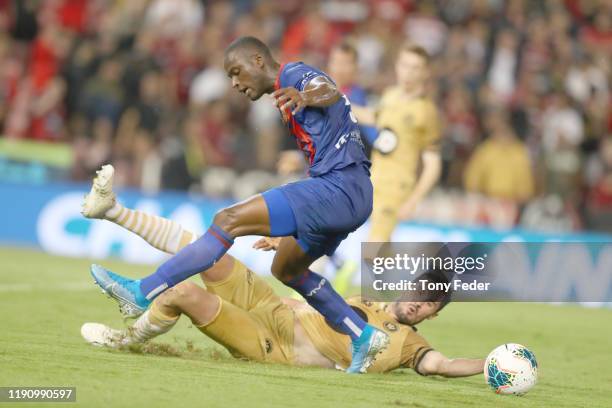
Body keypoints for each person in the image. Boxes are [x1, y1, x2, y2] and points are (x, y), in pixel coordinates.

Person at [81, 36, 388, 374]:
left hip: (338, 188)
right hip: (350, 194)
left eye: (237, 72)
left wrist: (305, 94)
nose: (235, 83)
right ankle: (362, 335)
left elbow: (327, 89)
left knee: (227, 220)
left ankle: (141, 292)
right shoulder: (286, 99)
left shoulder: (294, 75)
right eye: (229, 77)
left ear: (258, 60)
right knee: (287, 270)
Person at [80, 178, 484, 377]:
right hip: (269, 305)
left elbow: (443, 365)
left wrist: (490, 364)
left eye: (430, 302)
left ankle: (124, 340)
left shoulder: (413, 345)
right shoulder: (365, 300)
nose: (419, 301)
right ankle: (113, 210)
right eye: (421, 291)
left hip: (274, 345)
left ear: (432, 314)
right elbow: (313, 290)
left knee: (182, 293)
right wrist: (286, 247)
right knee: (202, 249)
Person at [352, 43, 442, 242]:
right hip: (373, 177)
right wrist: (339, 103)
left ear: (425, 72)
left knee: (376, 244)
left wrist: (414, 200)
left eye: (415, 68)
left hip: (397, 186)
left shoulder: (426, 112)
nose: (408, 73)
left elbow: (433, 163)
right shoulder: (390, 95)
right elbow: (373, 117)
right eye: (404, 65)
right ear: (396, 66)